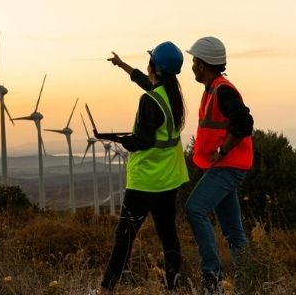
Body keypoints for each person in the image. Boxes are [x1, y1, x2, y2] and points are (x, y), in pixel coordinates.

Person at [96, 41, 190, 292]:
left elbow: (143, 141)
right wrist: (122, 65)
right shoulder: (171, 95)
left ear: (155, 68)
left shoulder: (149, 100)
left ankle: (107, 288)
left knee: (124, 236)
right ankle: (173, 284)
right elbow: (143, 81)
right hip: (169, 179)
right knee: (168, 234)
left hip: (145, 181)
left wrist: (120, 140)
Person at [184, 36, 254, 294]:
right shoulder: (213, 89)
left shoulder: (222, 90)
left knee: (194, 209)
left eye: (194, 61)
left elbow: (244, 122)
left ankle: (212, 276)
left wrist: (222, 150)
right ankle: (250, 277)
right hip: (224, 167)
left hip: (228, 167)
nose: (192, 66)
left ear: (202, 65)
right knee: (233, 231)